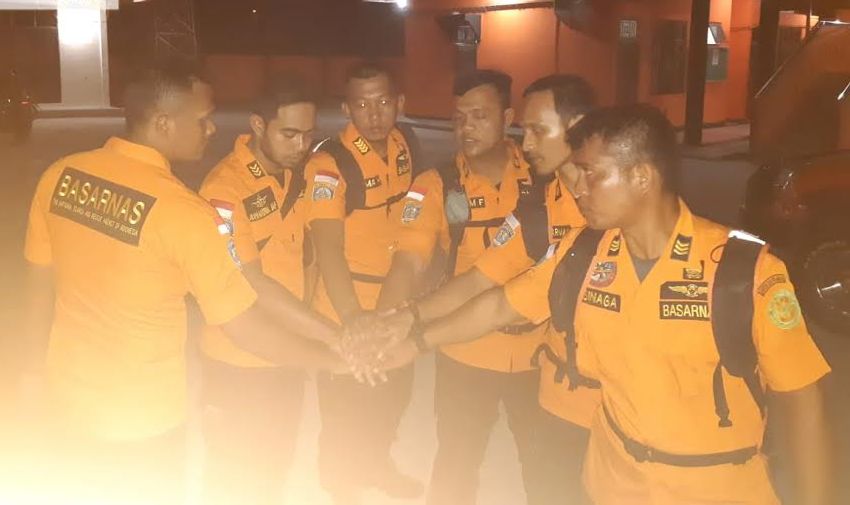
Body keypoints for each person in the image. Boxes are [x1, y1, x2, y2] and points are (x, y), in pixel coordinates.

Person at [381, 104, 832, 505]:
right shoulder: (583, 254)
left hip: (719, 490)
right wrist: (415, 339)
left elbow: (801, 400)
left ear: (642, 177)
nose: (578, 188)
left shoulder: (742, 270)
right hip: (610, 486)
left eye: (592, 174)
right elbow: (501, 305)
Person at [19, 63, 344, 505]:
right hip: (144, 417)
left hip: (67, 397)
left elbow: (38, 286)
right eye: (202, 119)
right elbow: (242, 325)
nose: (211, 129)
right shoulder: (185, 213)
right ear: (163, 123)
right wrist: (332, 358)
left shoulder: (61, 176)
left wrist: (32, 372)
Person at [372, 73, 595, 505]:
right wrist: (391, 324)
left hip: (538, 354)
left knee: (547, 471)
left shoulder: (543, 182)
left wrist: (411, 333)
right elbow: (415, 263)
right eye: (458, 118)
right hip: (466, 349)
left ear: (506, 118)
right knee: (456, 464)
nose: (466, 127)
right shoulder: (440, 184)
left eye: (479, 116)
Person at [198, 78, 338, 505]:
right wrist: (332, 338)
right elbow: (253, 282)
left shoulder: (303, 172)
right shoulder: (225, 189)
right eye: (289, 134)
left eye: (309, 134)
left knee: (276, 463)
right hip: (236, 360)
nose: (301, 146)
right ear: (258, 125)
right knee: (233, 475)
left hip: (286, 355)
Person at [303, 61, 423, 504]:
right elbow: (328, 249)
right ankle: (342, 487)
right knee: (344, 409)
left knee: (393, 395)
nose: (374, 114)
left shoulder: (406, 143)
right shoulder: (329, 165)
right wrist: (354, 319)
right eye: (362, 104)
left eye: (383, 102)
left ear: (399, 102)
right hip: (346, 305)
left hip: (394, 301)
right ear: (346, 108)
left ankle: (378, 465)